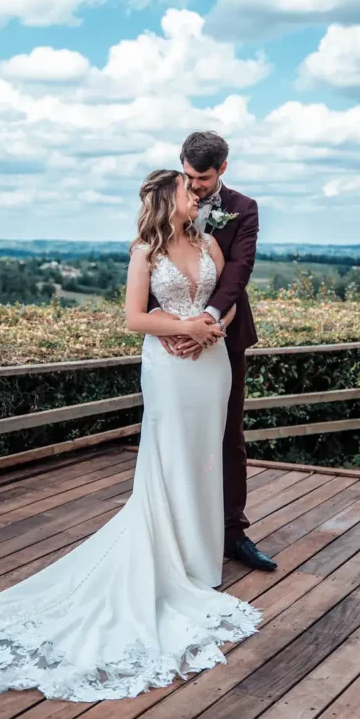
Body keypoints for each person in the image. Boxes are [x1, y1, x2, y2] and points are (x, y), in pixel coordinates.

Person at [0, 169, 261, 705]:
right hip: (169, 367)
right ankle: (170, 556)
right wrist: (181, 330)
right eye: (188, 189)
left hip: (211, 364)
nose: (197, 194)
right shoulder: (144, 251)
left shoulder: (208, 241)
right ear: (169, 200)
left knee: (206, 457)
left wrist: (211, 327)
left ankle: (200, 556)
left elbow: (229, 293)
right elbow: (135, 318)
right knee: (171, 457)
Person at [149, 131, 276, 573]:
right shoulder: (168, 198)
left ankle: (232, 534)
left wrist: (208, 321)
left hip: (224, 335)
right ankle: (176, 531)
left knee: (228, 437)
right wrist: (168, 323)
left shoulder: (244, 209)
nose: (195, 185)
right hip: (170, 342)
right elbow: (149, 269)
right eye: (188, 175)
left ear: (222, 168)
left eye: (202, 177)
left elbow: (238, 273)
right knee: (174, 436)